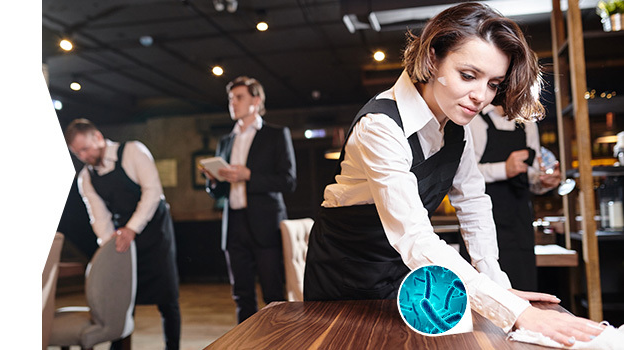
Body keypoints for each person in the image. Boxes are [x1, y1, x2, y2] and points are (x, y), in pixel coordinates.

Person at [301, 2, 604, 346]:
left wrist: (499, 286)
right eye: (468, 75)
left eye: (493, 83)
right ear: (433, 59)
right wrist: (515, 311)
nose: (481, 97)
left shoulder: (457, 129)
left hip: (407, 274)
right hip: (346, 274)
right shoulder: (380, 127)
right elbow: (415, 238)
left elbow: (473, 202)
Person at [65, 118, 181, 350]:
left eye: (85, 149)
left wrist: (132, 229)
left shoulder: (133, 151)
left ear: (98, 137)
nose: (84, 157)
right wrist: (110, 246)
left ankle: (173, 347)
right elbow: (98, 216)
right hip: (123, 239)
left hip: (155, 232)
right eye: (77, 153)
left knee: (167, 299)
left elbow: (153, 192)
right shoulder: (85, 178)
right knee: (122, 300)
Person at [202, 76, 296, 323]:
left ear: (256, 100)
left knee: (273, 294)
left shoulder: (276, 135)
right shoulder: (225, 141)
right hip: (233, 225)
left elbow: (288, 181)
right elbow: (219, 192)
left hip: (265, 224)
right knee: (241, 295)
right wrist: (213, 180)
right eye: (231, 98)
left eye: (239, 97)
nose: (233, 103)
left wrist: (248, 175)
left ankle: (279, 342)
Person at [468, 104, 563, 290]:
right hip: (481, 226)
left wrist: (544, 181)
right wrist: (504, 169)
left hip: (520, 227)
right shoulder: (473, 120)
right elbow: (463, 174)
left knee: (523, 290)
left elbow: (531, 176)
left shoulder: (527, 124)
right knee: (483, 296)